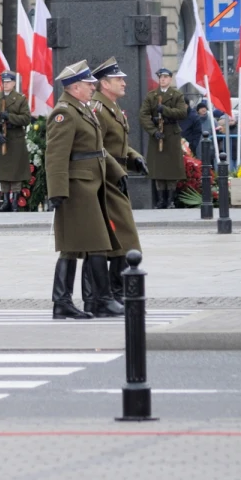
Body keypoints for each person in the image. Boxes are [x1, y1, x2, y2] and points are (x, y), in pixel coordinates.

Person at [44, 61, 123, 320]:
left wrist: (118, 173)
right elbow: (55, 155)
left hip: (91, 185)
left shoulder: (82, 109)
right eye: (89, 85)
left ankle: (64, 302)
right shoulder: (64, 113)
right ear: (75, 87)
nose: (93, 88)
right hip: (77, 188)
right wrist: (56, 191)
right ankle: (100, 300)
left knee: (77, 247)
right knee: (95, 244)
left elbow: (97, 148)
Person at [88, 58, 146, 314]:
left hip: (116, 176)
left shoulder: (110, 107)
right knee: (122, 236)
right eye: (118, 79)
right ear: (104, 83)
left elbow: (117, 144)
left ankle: (116, 292)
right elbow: (96, 145)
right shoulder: (97, 109)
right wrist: (118, 168)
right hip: (105, 178)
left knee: (121, 237)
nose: (124, 83)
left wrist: (133, 156)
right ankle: (112, 294)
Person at [0, 71, 33, 212]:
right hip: (1, 139)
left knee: (16, 171)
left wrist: (9, 117)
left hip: (15, 138)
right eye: (4, 82)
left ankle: (15, 200)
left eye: (8, 82)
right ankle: (5, 201)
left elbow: (26, 119)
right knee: (3, 172)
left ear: (14, 83)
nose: (6, 85)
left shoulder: (20, 99)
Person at [139, 68, 188, 208]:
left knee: (171, 168)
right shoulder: (152, 95)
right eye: (160, 77)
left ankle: (170, 200)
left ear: (170, 79)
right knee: (158, 168)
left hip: (171, 133)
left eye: (166, 77)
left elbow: (182, 113)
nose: (163, 79)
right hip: (157, 134)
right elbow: (143, 115)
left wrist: (165, 110)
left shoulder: (177, 95)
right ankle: (160, 200)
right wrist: (153, 131)